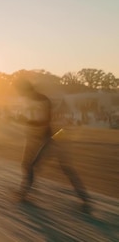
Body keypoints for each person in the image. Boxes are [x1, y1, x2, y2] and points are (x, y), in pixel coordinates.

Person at [14, 79, 91, 211]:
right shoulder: (33, 99)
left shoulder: (42, 100)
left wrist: (28, 122)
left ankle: (24, 193)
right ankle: (26, 192)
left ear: (26, 90)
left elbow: (45, 122)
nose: (20, 94)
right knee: (29, 165)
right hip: (47, 137)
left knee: (55, 166)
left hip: (54, 137)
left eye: (20, 91)